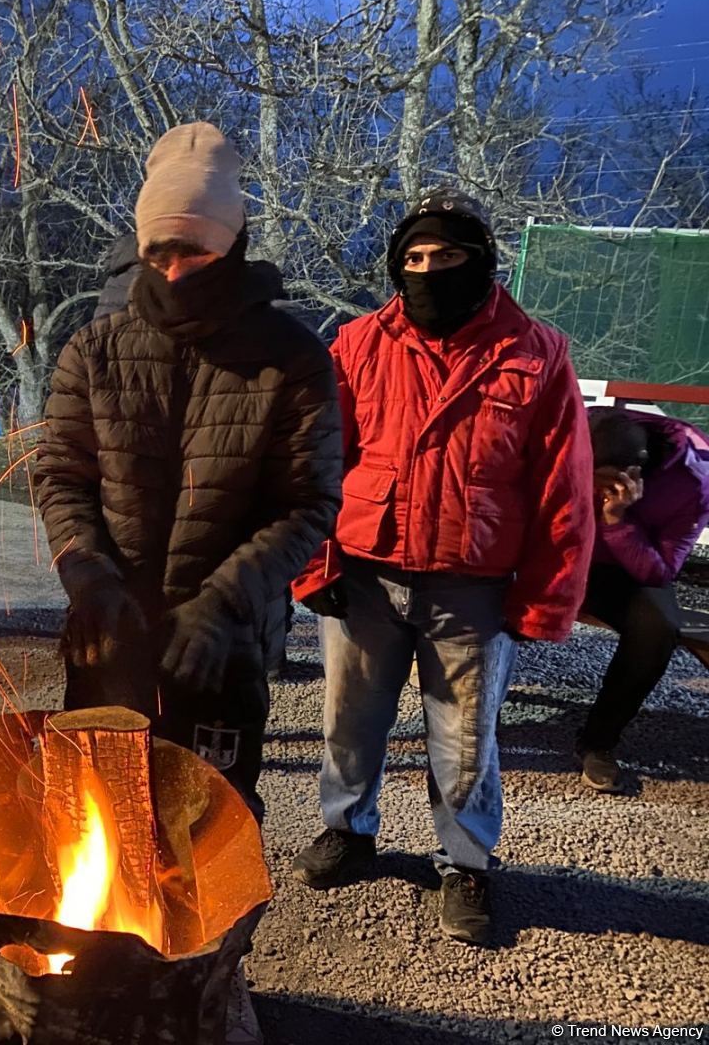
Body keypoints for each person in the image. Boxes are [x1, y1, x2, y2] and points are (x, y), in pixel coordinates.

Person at [290, 189, 595, 946]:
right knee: (349, 721)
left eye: (447, 257)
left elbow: (565, 488)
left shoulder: (536, 352)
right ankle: (348, 830)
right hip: (366, 570)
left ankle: (464, 863)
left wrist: (546, 598)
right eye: (414, 259)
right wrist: (315, 559)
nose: (428, 270)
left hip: (473, 583)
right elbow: (317, 461)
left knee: (464, 737)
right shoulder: (358, 343)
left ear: (480, 261)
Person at [36, 123, 344, 819]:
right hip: (112, 624)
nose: (174, 271)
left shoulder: (291, 359)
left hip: (225, 635)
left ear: (231, 242)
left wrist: (224, 602)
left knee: (207, 823)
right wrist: (85, 574)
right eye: (159, 252)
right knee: (97, 816)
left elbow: (307, 502)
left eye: (194, 252)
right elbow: (61, 475)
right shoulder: (94, 351)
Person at [576, 407, 709, 793]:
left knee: (657, 628)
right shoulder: (572, 430)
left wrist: (617, 521)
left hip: (626, 564)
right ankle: (470, 728)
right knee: (485, 596)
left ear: (634, 475)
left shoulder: (692, 478)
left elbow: (660, 571)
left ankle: (598, 742)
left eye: (595, 484)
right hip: (558, 551)